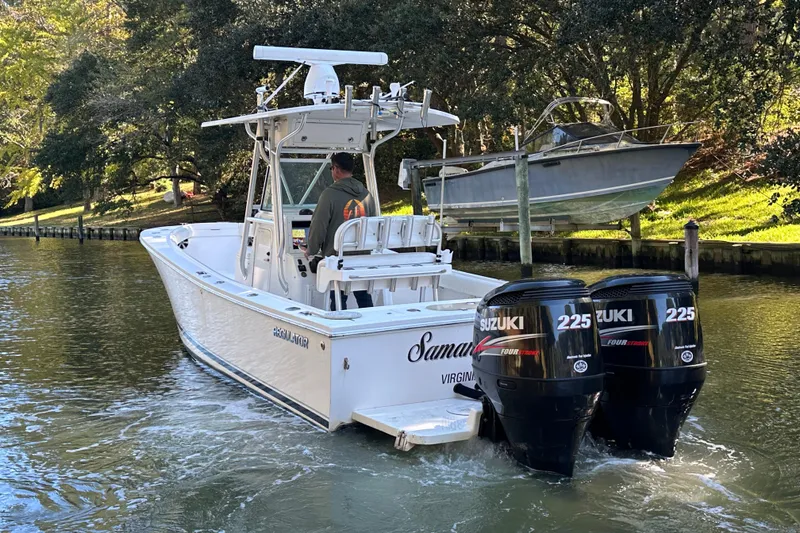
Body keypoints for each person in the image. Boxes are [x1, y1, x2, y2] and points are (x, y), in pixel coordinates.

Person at [303, 152, 376, 310]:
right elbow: (373, 225)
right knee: (363, 294)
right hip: (361, 256)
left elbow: (319, 225)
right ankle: (371, 322)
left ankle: (338, 324)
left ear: (336, 169)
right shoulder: (367, 195)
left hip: (338, 258)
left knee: (337, 294)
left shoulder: (329, 194)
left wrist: (311, 249)